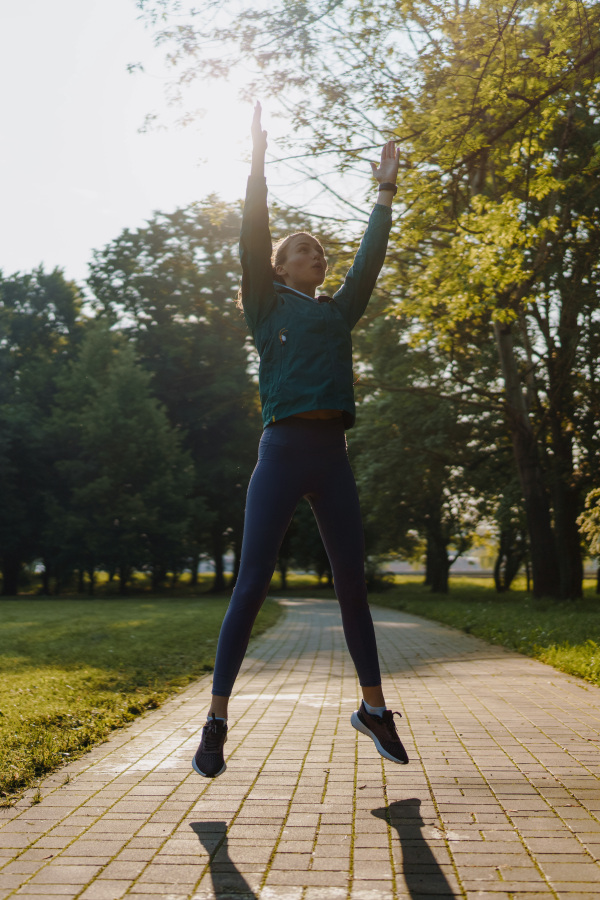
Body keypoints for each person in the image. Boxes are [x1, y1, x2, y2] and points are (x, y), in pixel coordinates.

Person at [192, 103, 408, 779]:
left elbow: (371, 256)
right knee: (251, 584)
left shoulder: (337, 312)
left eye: (320, 249)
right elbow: (252, 233)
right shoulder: (265, 301)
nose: (315, 253)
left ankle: (374, 709)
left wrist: (384, 193)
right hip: (282, 453)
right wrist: (256, 160)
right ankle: (217, 719)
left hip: (332, 457)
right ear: (281, 268)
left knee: (352, 585)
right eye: (301, 250)